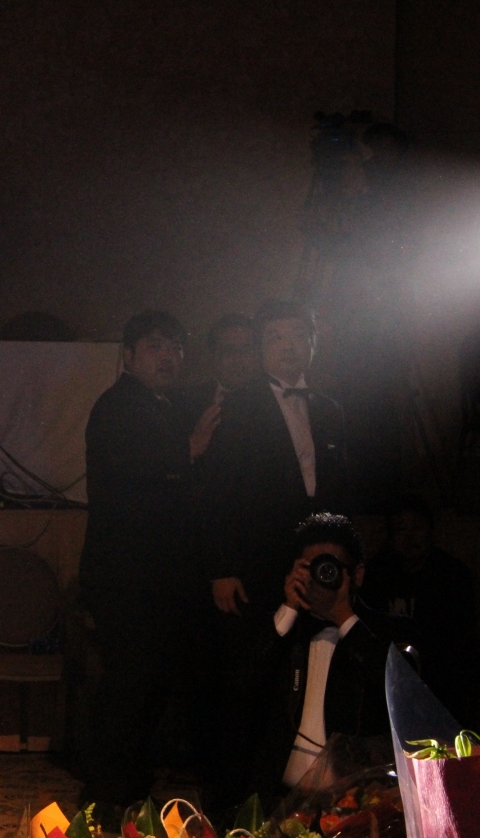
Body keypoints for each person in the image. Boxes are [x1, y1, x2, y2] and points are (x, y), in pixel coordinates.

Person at [203, 299, 349, 804]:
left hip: (315, 567)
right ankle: (231, 804)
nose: (288, 347)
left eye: (297, 336)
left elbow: (339, 493)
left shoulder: (329, 409)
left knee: (308, 684)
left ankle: (292, 801)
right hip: (254, 568)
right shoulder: (239, 406)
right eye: (275, 338)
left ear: (313, 342)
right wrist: (222, 568)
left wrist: (343, 560)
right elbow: (218, 494)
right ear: (261, 347)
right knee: (247, 686)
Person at [78, 310, 203, 807]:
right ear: (128, 355)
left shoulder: (163, 405)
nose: (168, 357)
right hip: (126, 576)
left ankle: (128, 790)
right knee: (128, 688)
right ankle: (106, 795)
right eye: (155, 346)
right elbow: (130, 479)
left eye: (175, 347)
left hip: (155, 575)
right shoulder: (118, 406)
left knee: (149, 688)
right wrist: (189, 450)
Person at [253, 513, 410, 803]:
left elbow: (402, 695)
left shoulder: (385, 633)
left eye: (331, 567)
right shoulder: (285, 631)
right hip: (278, 801)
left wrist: (343, 617)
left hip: (355, 803)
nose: (321, 577)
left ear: (357, 575)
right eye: (311, 567)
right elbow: (243, 690)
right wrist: (288, 608)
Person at [361, 497, 478, 726]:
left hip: (443, 688)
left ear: (430, 531)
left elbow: (461, 641)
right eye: (401, 529)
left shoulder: (452, 575)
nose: (410, 537)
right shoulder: (376, 575)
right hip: (389, 683)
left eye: (417, 527)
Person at [178, 312, 255, 462]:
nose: (239, 359)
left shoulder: (271, 400)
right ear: (213, 355)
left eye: (247, 350)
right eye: (229, 350)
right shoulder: (186, 400)